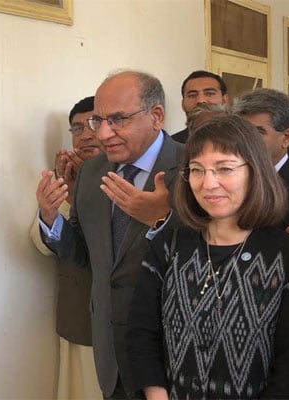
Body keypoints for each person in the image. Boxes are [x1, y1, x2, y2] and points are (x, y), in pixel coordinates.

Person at [127, 115, 289, 399]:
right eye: (197, 170)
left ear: (255, 172)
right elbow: (142, 332)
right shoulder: (169, 245)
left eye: (225, 168)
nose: (208, 183)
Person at [36, 70, 183, 399]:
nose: (102, 134)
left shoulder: (192, 167)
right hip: (110, 353)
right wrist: (50, 219)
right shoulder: (92, 171)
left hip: (173, 352)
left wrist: (161, 219)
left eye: (117, 119)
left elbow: (219, 253)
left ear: (156, 116)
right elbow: (84, 253)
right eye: (98, 121)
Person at [30, 96, 102, 399]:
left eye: (93, 124)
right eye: (77, 128)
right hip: (80, 311)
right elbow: (43, 244)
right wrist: (58, 205)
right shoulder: (62, 178)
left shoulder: (129, 172)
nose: (85, 135)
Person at [232, 88, 289, 196]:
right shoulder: (221, 180)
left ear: (287, 137)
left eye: (257, 132)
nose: (244, 139)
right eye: (240, 131)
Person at [171, 70, 229, 143]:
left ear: (225, 100)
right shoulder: (171, 145)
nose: (201, 100)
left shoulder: (241, 139)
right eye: (192, 95)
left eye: (209, 93)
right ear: (183, 104)